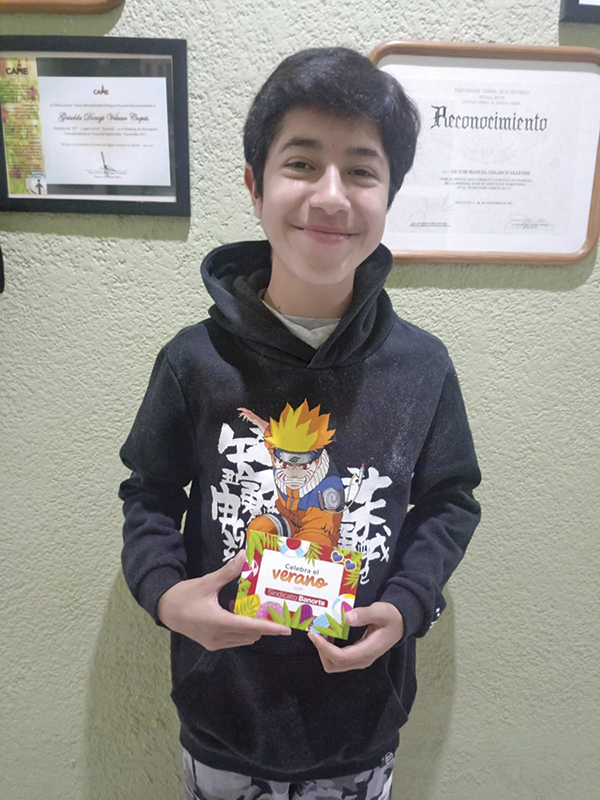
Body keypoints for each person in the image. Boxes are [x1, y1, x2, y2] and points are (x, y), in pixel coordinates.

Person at [119, 47, 481, 800]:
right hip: (223, 720)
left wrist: (408, 605)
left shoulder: (423, 367)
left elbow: (451, 502)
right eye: (302, 164)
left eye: (361, 171)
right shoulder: (193, 362)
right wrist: (164, 594)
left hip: (361, 727)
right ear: (255, 186)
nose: (331, 195)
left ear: (390, 194)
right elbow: (148, 492)